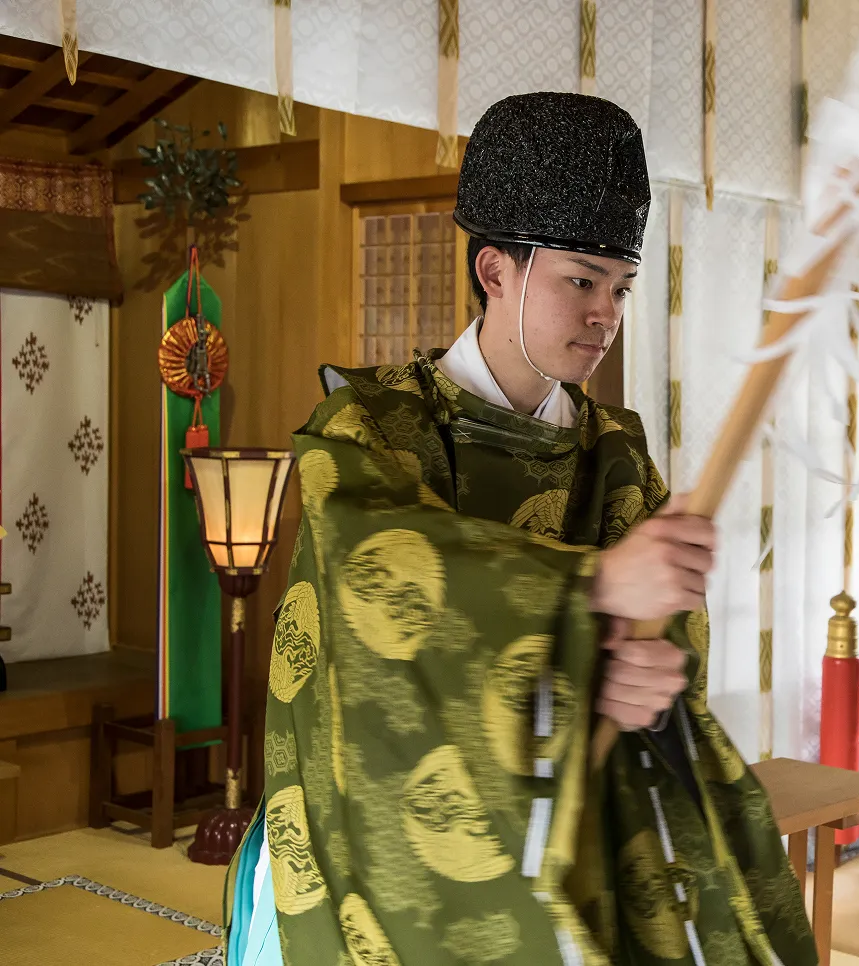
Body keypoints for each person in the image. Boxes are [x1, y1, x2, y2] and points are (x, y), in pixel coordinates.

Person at [225, 92, 815, 966]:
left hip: (562, 834)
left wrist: (648, 674)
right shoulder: (367, 432)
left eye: (620, 287)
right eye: (581, 280)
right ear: (496, 271)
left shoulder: (615, 454)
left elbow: (663, 642)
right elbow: (375, 596)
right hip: (377, 842)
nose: (605, 314)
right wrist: (596, 591)